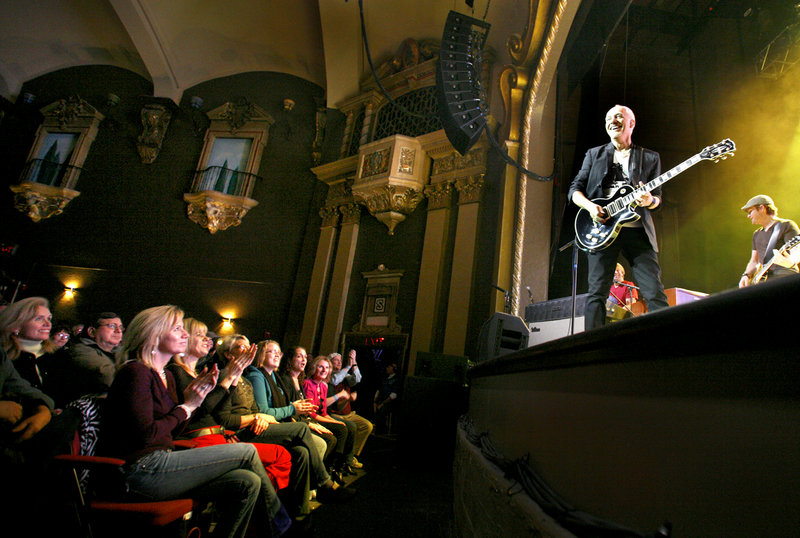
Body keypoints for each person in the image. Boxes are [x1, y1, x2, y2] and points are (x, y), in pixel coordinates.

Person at [99, 305, 291, 538]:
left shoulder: (165, 375)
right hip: (141, 470)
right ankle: (282, 527)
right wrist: (187, 407)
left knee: (248, 482)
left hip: (164, 459)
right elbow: (147, 436)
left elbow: (172, 432)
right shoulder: (136, 372)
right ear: (154, 333)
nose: (185, 334)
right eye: (177, 329)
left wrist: (193, 403)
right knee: (247, 452)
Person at [568, 104, 670, 329]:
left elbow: (658, 199)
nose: (612, 120)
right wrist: (591, 207)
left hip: (637, 232)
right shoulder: (594, 154)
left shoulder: (650, 158)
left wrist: (649, 201)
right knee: (596, 295)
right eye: (608, 118)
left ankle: (666, 340)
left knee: (654, 293)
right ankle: (592, 349)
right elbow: (574, 189)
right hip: (601, 231)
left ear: (631, 124)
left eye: (618, 117)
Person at [166, 318, 291, 493]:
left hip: (220, 435)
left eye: (206, 335)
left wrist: (232, 379)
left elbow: (217, 408)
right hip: (200, 440)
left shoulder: (196, 374)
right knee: (276, 458)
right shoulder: (176, 371)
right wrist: (229, 379)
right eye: (199, 334)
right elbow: (201, 412)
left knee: (279, 458)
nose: (207, 339)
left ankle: (260, 507)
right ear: (185, 338)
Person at [277, 345, 337, 462]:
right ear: (290, 359)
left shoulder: (299, 380)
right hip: (296, 422)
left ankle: (328, 470)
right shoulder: (286, 379)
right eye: (299, 356)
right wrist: (310, 423)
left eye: (305, 357)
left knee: (335, 434)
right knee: (330, 439)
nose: (304, 359)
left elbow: (311, 409)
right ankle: (319, 475)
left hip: (304, 420)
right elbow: (290, 410)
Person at [303, 355, 357, 476]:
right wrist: (334, 422)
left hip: (321, 416)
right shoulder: (308, 384)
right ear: (314, 368)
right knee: (341, 428)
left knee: (347, 426)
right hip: (311, 418)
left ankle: (341, 464)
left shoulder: (323, 386)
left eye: (327, 368)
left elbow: (324, 412)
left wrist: (334, 421)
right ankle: (331, 467)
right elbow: (312, 413)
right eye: (321, 367)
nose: (324, 370)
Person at [739, 194, 800, 287]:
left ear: (762, 208)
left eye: (750, 211)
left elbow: (797, 251)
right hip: (765, 282)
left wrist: (791, 261)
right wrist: (746, 275)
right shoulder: (757, 234)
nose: (748, 216)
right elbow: (754, 261)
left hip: (785, 278)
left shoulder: (786, 225)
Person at [0, 297, 58, 393]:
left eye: (49, 318)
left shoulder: (59, 356)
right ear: (17, 326)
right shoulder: (4, 357)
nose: (48, 324)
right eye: (39, 319)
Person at [328, 349, 372, 466]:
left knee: (367, 426)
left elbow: (357, 379)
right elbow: (335, 379)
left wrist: (354, 363)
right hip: (335, 414)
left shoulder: (345, 375)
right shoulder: (329, 376)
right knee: (349, 429)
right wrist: (348, 366)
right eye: (335, 360)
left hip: (348, 414)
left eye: (340, 360)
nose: (338, 362)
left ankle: (352, 455)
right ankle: (344, 458)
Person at [373, 361, 399, 434]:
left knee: (382, 415)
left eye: (389, 367)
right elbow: (379, 390)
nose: (387, 368)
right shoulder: (385, 379)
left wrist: (382, 404)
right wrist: (375, 401)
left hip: (387, 404)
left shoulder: (396, 380)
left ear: (393, 369)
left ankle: (382, 433)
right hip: (379, 402)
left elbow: (393, 395)